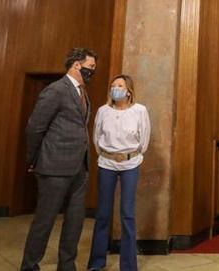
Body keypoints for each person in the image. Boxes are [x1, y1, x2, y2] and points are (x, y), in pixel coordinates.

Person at [20, 47, 97, 271]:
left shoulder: (82, 92)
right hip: (54, 166)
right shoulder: (55, 90)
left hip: (80, 168)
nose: (93, 71)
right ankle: (29, 265)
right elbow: (35, 128)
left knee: (74, 221)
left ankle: (66, 266)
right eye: (91, 67)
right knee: (45, 221)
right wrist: (32, 159)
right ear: (76, 65)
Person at [88, 75, 151, 271]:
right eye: (113, 85)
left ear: (129, 91)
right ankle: (97, 263)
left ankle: (128, 266)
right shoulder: (103, 111)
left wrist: (128, 156)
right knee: (103, 214)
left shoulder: (140, 111)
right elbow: (96, 138)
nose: (116, 88)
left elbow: (144, 140)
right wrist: (109, 155)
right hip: (106, 163)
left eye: (120, 85)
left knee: (127, 213)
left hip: (130, 164)